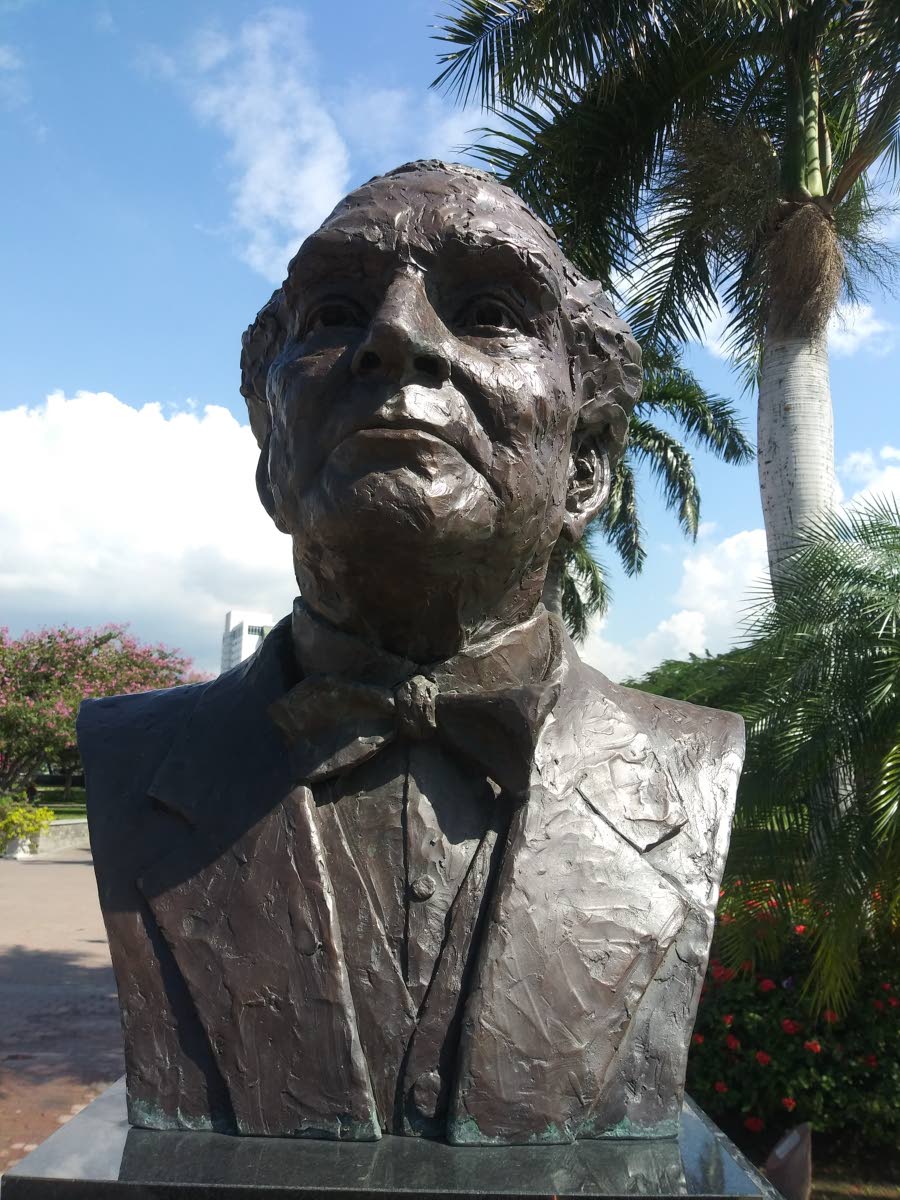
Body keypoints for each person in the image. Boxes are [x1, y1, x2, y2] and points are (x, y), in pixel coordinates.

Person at [79, 161, 744, 1145]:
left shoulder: (690, 772)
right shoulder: (136, 761)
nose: (394, 334)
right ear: (271, 459)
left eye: (486, 309)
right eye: (336, 309)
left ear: (586, 471)